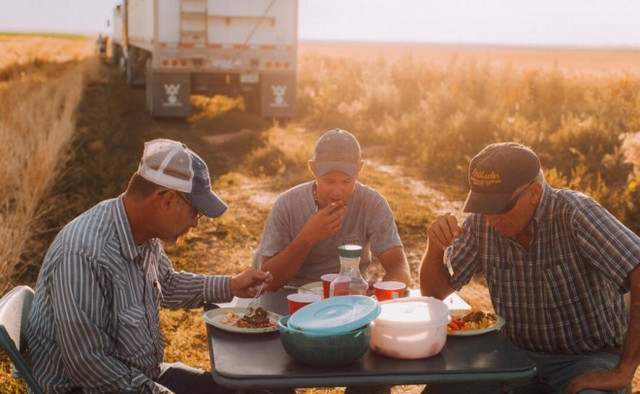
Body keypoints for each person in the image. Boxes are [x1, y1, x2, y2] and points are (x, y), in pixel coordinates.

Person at [27, 139, 273, 394]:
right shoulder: (82, 254)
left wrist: (231, 285)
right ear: (167, 200)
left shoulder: (141, 232)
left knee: (261, 388)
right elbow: (89, 366)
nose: (195, 224)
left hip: (141, 377)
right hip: (89, 388)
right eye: (195, 213)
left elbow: (167, 283)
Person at [419, 142, 640, 394]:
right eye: (483, 205)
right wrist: (435, 246)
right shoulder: (482, 222)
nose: (490, 219)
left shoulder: (575, 213)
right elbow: (435, 293)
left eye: (500, 207)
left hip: (587, 358)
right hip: (514, 356)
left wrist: (623, 372)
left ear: (535, 192)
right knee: (441, 391)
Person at [252, 128, 411, 294]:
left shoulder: (372, 204)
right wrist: (307, 237)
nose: (337, 191)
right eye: (328, 181)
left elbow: (399, 266)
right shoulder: (287, 205)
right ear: (312, 169)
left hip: (350, 296)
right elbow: (267, 281)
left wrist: (381, 291)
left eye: (346, 181)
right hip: (293, 296)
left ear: (359, 169)